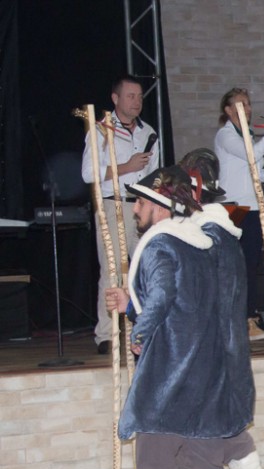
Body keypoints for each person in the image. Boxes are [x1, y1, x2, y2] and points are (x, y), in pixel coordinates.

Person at [105, 166, 247, 469]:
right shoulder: (202, 245)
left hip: (171, 374)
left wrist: (140, 332)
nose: (135, 210)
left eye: (140, 202)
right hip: (208, 370)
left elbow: (163, 295)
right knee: (207, 464)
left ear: (161, 206)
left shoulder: (160, 245)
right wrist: (135, 308)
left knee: (152, 468)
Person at [177, 148, 264, 469]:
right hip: (231, 347)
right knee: (235, 440)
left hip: (208, 351)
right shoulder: (227, 230)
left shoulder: (201, 236)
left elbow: (194, 300)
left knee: (195, 443)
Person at [81, 74, 159, 354]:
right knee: (112, 269)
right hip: (112, 203)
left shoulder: (148, 132)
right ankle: (107, 334)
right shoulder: (101, 130)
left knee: (149, 265)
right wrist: (127, 167)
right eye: (130, 96)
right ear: (115, 98)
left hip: (141, 206)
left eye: (139, 96)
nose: (137, 101)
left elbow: (154, 174)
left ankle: (148, 326)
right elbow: (89, 173)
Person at [213, 87, 264, 341]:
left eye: (248, 104)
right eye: (241, 105)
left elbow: (256, 175)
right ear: (228, 110)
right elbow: (252, 154)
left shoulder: (246, 134)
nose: (247, 109)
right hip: (234, 208)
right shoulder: (226, 135)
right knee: (239, 265)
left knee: (251, 264)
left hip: (252, 206)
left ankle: (247, 318)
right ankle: (242, 320)